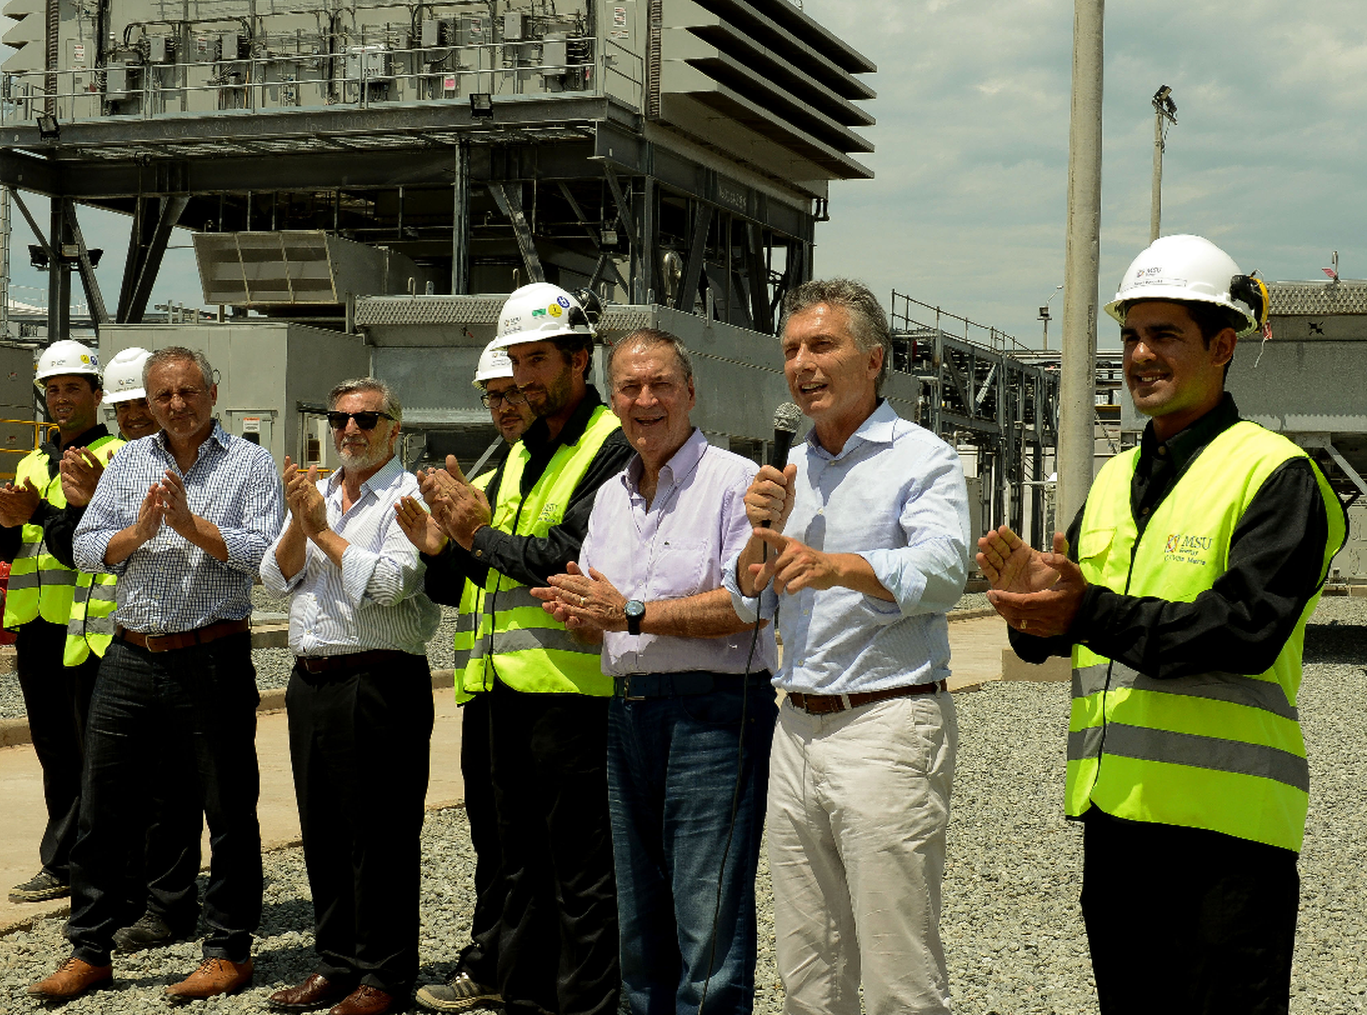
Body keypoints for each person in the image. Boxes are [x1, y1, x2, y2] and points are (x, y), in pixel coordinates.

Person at [976, 234, 1347, 1014]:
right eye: (1131, 335)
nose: (1140, 354)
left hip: (1229, 840)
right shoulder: (1113, 482)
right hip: (1118, 826)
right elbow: (1069, 625)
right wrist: (1030, 606)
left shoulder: (1276, 475)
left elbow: (1242, 630)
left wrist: (1082, 608)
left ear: (1222, 345)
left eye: (1164, 334)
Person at [724, 278, 969, 1015]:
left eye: (822, 344)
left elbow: (943, 571)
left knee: (898, 967)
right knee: (809, 963)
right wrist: (754, 546)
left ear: (873, 358)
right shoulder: (791, 467)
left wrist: (839, 567)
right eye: (792, 348)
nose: (803, 362)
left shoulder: (920, 458)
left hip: (884, 722)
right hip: (794, 725)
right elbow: (752, 597)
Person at [28, 345, 285, 1004]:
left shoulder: (250, 464)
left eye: (187, 392)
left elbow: (262, 553)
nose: (176, 405)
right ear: (149, 400)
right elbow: (87, 546)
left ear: (212, 392)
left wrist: (192, 526)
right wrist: (141, 529)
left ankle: (227, 948)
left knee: (229, 809)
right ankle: (91, 947)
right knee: (103, 805)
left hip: (212, 654)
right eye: (162, 395)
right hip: (132, 654)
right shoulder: (133, 460)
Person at [531, 329, 774, 1015]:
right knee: (638, 926)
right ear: (614, 401)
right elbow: (610, 612)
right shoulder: (611, 496)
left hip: (714, 715)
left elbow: (745, 604)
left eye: (660, 383)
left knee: (708, 925)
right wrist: (583, 612)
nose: (646, 399)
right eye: (630, 387)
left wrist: (629, 611)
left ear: (691, 392)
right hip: (628, 711)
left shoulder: (734, 483)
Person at [416, 283, 631, 1015]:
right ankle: (528, 1001)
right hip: (509, 694)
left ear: (580, 357)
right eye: (515, 363)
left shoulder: (612, 444)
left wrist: (479, 536)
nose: (524, 379)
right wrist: (441, 547)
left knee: (581, 880)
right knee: (521, 874)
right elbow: (481, 568)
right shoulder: (515, 457)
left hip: (577, 701)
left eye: (537, 360)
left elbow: (569, 555)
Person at [262, 377, 440, 1015]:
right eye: (339, 419)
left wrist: (322, 534)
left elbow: (395, 582)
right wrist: (298, 521)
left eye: (366, 420)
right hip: (312, 681)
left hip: (378, 680)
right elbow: (275, 578)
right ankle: (336, 962)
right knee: (325, 831)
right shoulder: (320, 493)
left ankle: (384, 976)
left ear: (395, 428)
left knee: (380, 834)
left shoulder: (409, 495)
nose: (350, 431)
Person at [398, 343, 534, 1014]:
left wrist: (470, 535)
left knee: (535, 847)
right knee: (494, 841)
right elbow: (464, 585)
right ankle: (495, 962)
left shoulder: (552, 473)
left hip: (543, 689)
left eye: (514, 390)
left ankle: (518, 966)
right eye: (493, 396)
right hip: (485, 685)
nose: (504, 406)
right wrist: (438, 546)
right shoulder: (500, 469)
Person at [56, 345, 204, 954]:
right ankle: (104, 908)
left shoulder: (200, 461)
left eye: (139, 405)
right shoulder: (108, 465)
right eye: (127, 406)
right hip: (108, 644)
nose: (136, 416)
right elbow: (79, 546)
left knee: (172, 787)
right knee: (105, 788)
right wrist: (92, 512)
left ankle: (163, 902)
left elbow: (235, 554)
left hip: (182, 641)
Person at [0, 339, 120, 905]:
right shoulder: (33, 462)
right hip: (35, 624)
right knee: (55, 749)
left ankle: (97, 864)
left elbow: (91, 544)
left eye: (72, 388)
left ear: (97, 395)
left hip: (85, 630)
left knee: (95, 751)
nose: (60, 398)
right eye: (52, 388)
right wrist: (8, 520)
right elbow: (6, 547)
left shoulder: (115, 458)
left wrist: (37, 512)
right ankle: (63, 862)